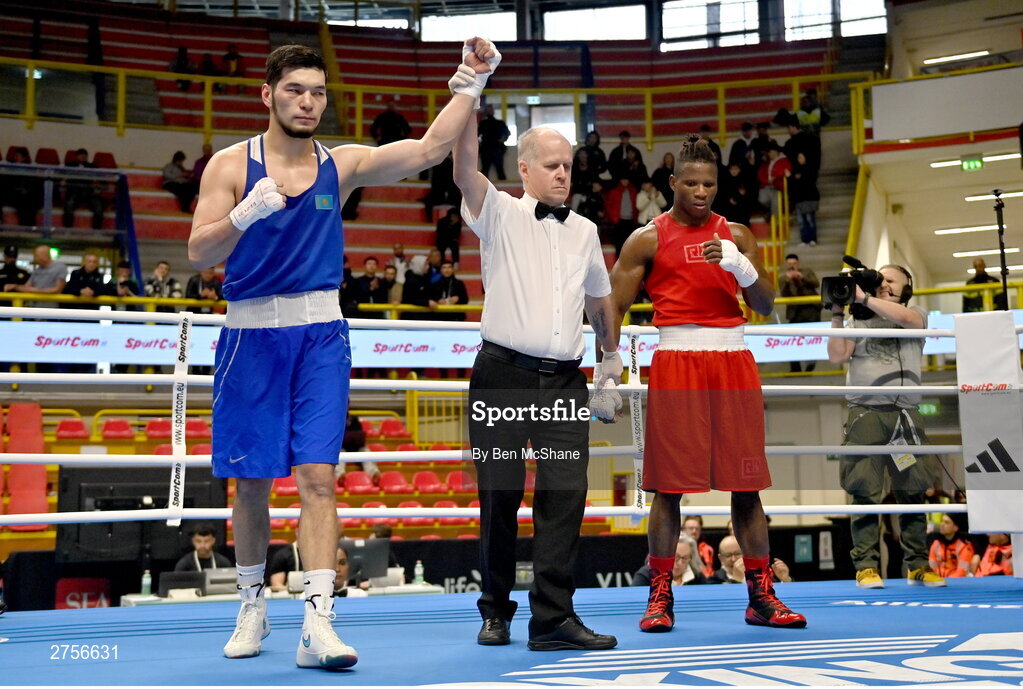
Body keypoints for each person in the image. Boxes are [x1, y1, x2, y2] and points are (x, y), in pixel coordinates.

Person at [186, 39, 500, 669]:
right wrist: (244, 216)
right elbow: (198, 252)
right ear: (268, 94)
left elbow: (429, 149)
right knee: (249, 484)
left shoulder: (342, 163)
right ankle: (252, 603)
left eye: (318, 91)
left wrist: (472, 78)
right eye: (296, 89)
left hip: (322, 335)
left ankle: (319, 621)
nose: (308, 102)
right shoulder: (229, 165)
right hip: (250, 336)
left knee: (318, 477)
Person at [606, 134, 806, 632]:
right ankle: (659, 597)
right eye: (690, 182)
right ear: (672, 183)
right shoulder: (646, 238)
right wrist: (607, 364)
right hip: (676, 362)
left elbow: (765, 305)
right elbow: (612, 304)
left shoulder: (737, 235)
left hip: (733, 360)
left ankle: (761, 597)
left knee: (747, 484)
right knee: (667, 488)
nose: (700, 191)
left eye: (709, 184)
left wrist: (739, 266)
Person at [453, 114, 621, 650]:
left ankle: (552, 619)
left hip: (567, 381)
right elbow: (462, 170)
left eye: (568, 166)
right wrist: (467, 91)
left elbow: (599, 299)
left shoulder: (586, 231)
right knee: (499, 498)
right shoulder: (498, 210)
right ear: (523, 169)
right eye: (551, 165)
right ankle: (495, 612)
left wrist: (611, 360)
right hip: (502, 376)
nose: (562, 175)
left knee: (566, 497)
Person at [827, 263, 946, 590]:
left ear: (907, 288)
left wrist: (864, 297)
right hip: (866, 414)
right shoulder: (858, 321)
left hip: (905, 414)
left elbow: (905, 319)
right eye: (880, 278)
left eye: (891, 280)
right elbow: (837, 356)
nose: (884, 283)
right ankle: (865, 566)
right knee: (863, 490)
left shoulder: (916, 314)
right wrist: (839, 315)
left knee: (913, 490)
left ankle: (918, 565)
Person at [777, 254, 822, 373]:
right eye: (790, 264)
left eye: (794, 264)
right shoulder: (782, 278)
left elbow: (816, 284)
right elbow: (784, 294)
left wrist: (802, 278)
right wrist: (787, 281)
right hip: (795, 312)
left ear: (798, 263)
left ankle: (811, 367)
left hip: (811, 310)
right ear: (786, 264)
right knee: (793, 340)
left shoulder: (807, 272)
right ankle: (795, 368)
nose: (792, 267)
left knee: (814, 340)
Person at [63, 148, 104, 230]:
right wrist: (64, 180)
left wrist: (97, 183)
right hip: (74, 192)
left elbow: (98, 181)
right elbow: (64, 178)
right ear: (76, 156)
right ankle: (67, 229)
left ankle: (96, 230)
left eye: (85, 156)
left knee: (99, 206)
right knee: (69, 204)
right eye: (81, 156)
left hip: (89, 193)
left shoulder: (92, 166)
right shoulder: (69, 165)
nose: (83, 158)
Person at [3, 147, 42, 226]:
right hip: (14, 193)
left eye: (18, 156)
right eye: (15, 156)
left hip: (27, 193)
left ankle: (30, 226)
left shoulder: (30, 169)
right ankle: (24, 226)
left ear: (24, 157)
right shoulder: (9, 167)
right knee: (22, 203)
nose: (15, 158)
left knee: (31, 203)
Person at [928, 513, 974, 578]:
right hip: (938, 583)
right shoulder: (936, 544)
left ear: (955, 527)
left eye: (946, 522)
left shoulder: (965, 546)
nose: (942, 524)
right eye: (942, 521)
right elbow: (931, 569)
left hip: (957, 584)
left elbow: (962, 573)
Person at [477, 104, 510, 180]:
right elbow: (477, 135)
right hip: (490, 148)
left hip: (493, 148)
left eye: (490, 110)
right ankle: (484, 189)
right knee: (487, 170)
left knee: (497, 169)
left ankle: (485, 188)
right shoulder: (484, 123)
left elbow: (507, 134)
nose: (490, 111)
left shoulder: (497, 123)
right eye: (489, 110)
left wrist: (501, 141)